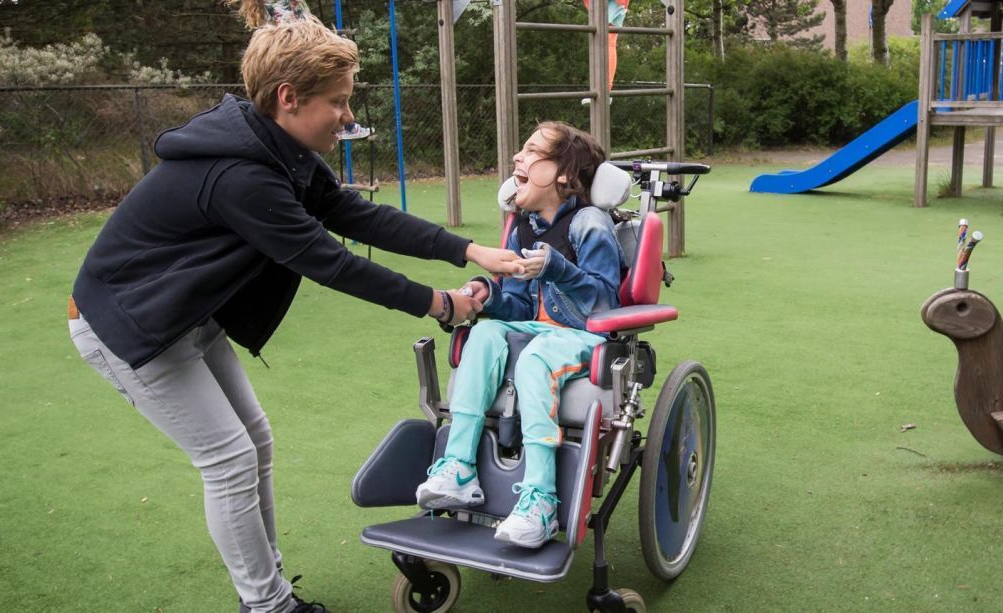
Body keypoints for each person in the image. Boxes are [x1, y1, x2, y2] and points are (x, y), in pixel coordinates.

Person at [66, 16, 520, 613]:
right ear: (288, 99)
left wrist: (467, 250)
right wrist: (442, 304)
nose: (348, 115)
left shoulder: (278, 149)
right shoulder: (241, 175)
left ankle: (267, 584)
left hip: (188, 317)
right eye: (337, 101)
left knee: (255, 440)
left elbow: (358, 217)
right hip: (128, 325)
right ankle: (268, 605)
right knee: (228, 459)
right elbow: (330, 262)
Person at [413, 122, 622, 549]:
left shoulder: (590, 223)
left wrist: (557, 268)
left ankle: (541, 500)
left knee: (539, 353)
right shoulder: (522, 227)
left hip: (582, 335)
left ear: (563, 174)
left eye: (530, 152)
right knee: (485, 335)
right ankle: (458, 470)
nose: (517, 159)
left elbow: (605, 307)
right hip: (537, 330)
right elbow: (521, 308)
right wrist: (485, 294)